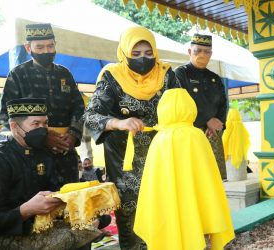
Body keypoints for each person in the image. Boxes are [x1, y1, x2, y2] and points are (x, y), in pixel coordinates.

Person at [84, 26, 180, 249]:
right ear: (124, 52)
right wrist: (119, 123)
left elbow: (183, 107)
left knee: (166, 206)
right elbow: (90, 115)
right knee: (131, 212)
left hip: (163, 152)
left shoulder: (167, 75)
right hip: (124, 158)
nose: (143, 59)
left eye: (148, 53)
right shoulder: (112, 76)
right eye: (135, 54)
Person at [133, 89, 235, 250]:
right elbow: (208, 179)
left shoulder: (159, 139)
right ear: (190, 107)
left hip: (167, 203)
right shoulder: (196, 135)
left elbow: (153, 185)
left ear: (162, 109)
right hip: (195, 199)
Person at [0, 23, 84, 188]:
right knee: (41, 205)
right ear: (28, 48)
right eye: (40, 47)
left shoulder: (64, 73)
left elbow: (79, 108)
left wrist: (73, 135)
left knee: (70, 201)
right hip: (32, 155)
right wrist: (43, 137)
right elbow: (6, 117)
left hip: (67, 151)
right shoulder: (17, 75)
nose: (46, 51)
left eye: (50, 46)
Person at [0, 98, 62, 235]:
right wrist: (26, 210)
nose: (43, 130)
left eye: (45, 124)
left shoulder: (45, 153)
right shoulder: (1, 159)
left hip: (40, 225)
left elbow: (56, 189)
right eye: (36, 124)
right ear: (14, 126)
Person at [174, 33, 228, 180]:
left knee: (213, 177)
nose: (202, 55)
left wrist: (217, 124)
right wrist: (206, 120)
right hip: (191, 133)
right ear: (190, 51)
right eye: (198, 51)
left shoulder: (215, 78)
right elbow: (181, 103)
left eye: (207, 52)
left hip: (212, 135)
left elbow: (223, 104)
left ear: (211, 54)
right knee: (194, 176)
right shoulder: (180, 73)